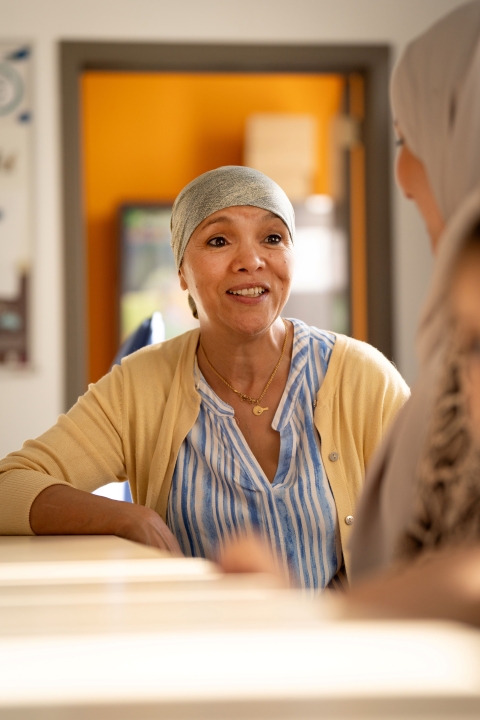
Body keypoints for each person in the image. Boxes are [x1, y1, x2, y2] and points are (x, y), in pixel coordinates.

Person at [0, 165, 408, 591]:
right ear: (181, 271)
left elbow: (446, 523)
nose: (251, 261)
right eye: (218, 240)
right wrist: (126, 516)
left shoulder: (362, 378)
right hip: (197, 649)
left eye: (273, 238)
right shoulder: (140, 386)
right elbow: (9, 486)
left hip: (341, 649)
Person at [350, 0, 480, 581]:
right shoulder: (150, 378)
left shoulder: (357, 371)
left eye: (408, 139)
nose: (402, 180)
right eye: (217, 242)